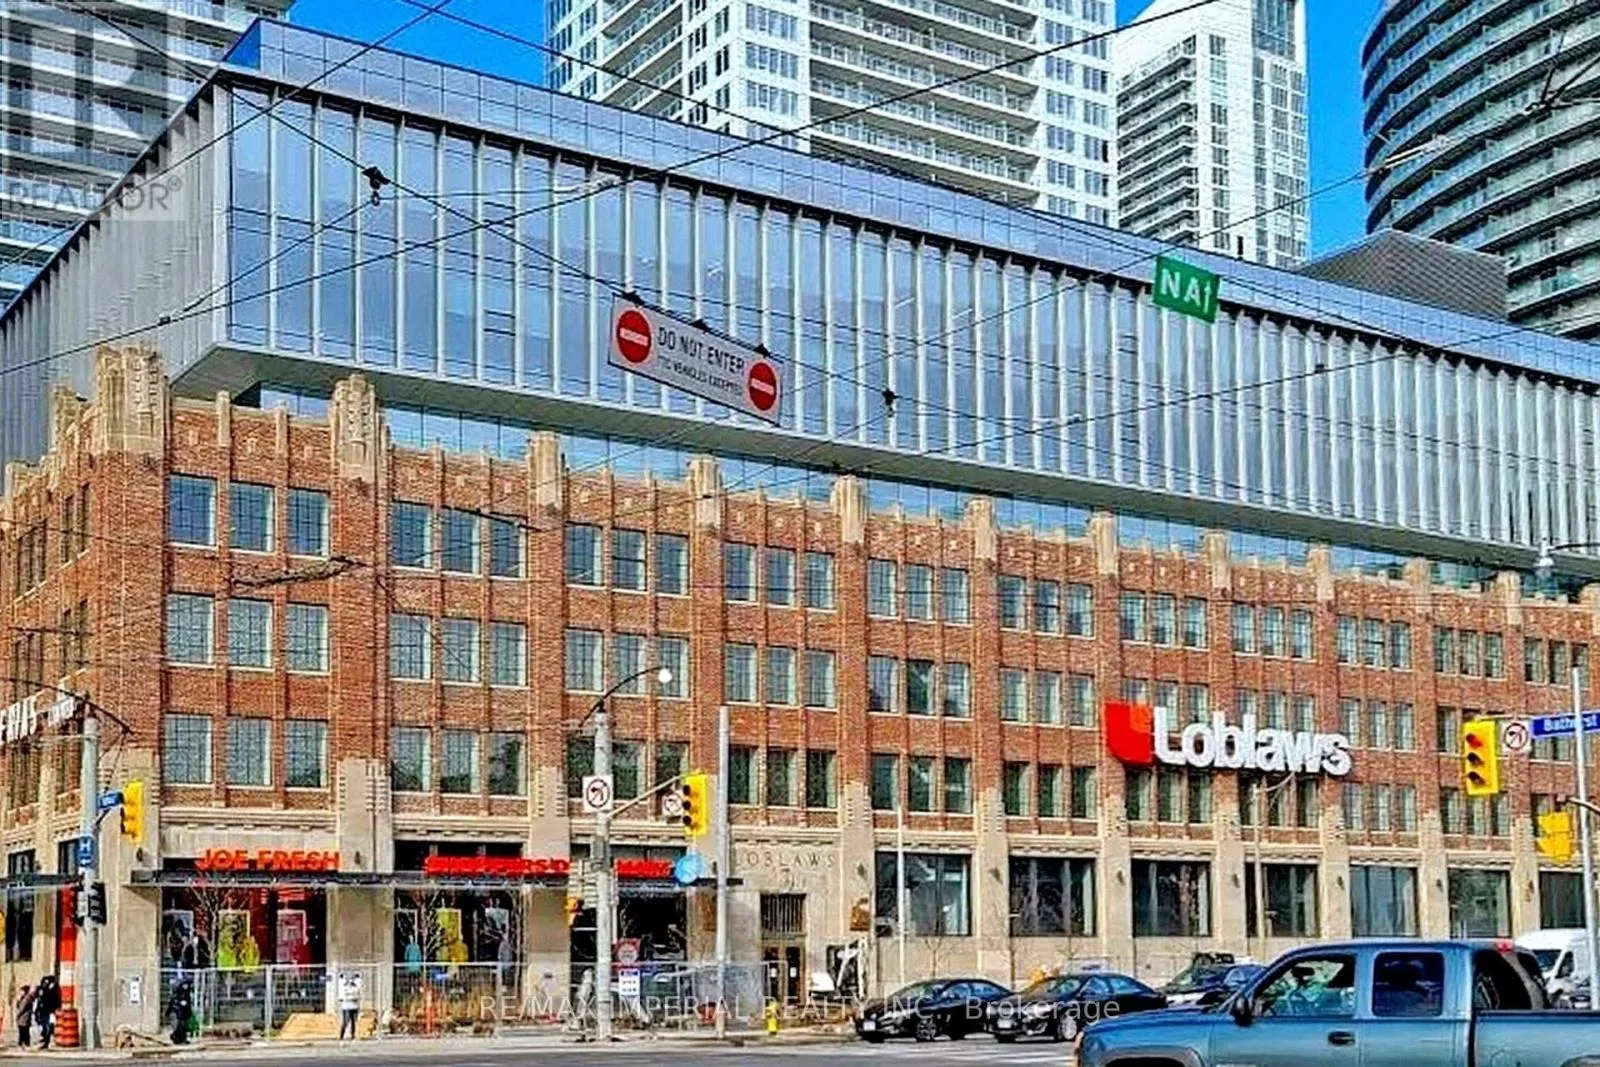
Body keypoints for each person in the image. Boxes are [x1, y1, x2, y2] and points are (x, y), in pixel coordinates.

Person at [33, 976, 59, 1050]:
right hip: (42, 1011)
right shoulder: (41, 989)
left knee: (48, 1026)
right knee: (43, 1025)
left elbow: (54, 1000)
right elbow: (37, 999)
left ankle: (46, 1041)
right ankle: (45, 1039)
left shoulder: (52, 991)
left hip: (49, 1011)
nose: (45, 984)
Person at [336, 970, 363, 1041]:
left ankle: (353, 1036)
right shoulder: (343, 986)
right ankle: (341, 1036)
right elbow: (340, 983)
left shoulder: (356, 987)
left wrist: (358, 977)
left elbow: (359, 985)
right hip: (346, 1006)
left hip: (354, 1006)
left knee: (354, 1022)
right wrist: (341, 977)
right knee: (345, 1022)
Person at [168, 977, 194, 1045]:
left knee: (183, 1024)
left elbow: (187, 1002)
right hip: (177, 1010)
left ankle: (182, 1038)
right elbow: (173, 1002)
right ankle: (177, 1037)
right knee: (178, 1024)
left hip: (183, 1010)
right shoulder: (176, 994)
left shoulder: (187, 994)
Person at [14, 985, 34, 1049]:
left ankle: (24, 1043)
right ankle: (23, 1043)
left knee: (23, 1031)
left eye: (21, 991)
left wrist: (17, 1015)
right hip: (23, 1017)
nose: (20, 992)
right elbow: (19, 1006)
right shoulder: (24, 998)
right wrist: (18, 1001)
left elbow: (22, 1008)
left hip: (24, 1017)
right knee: (23, 1031)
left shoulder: (26, 998)